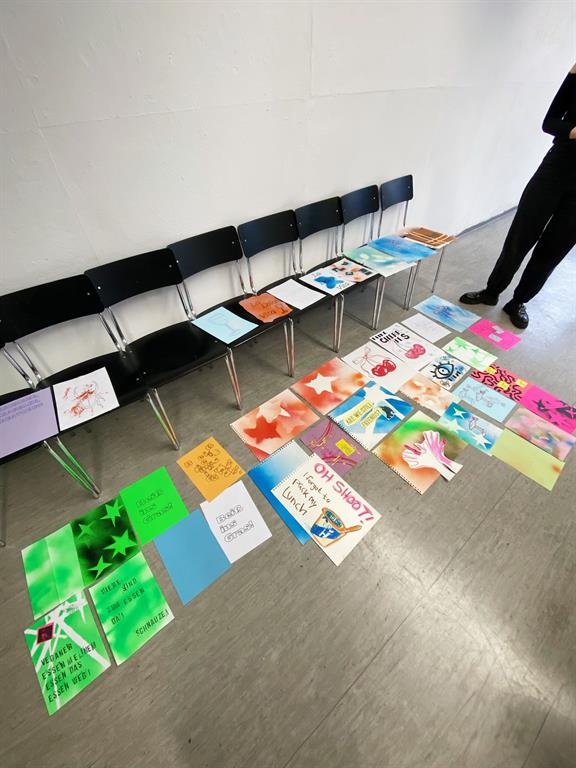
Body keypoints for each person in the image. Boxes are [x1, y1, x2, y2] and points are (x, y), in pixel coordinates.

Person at [460, 64, 576, 328]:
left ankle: (519, 302)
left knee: (555, 248)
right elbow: (549, 122)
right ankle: (491, 291)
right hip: (556, 167)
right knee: (521, 235)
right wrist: (572, 132)